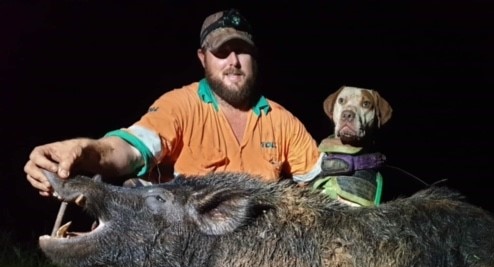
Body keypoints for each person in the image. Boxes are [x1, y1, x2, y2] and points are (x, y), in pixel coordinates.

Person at [24, 8, 323, 196]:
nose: (233, 61)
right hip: (192, 247)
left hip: (259, 247)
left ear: (254, 58)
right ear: (202, 58)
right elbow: (130, 149)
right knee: (135, 195)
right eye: (221, 51)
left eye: (242, 51)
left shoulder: (282, 121)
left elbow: (319, 183)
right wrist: (84, 150)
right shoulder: (179, 106)